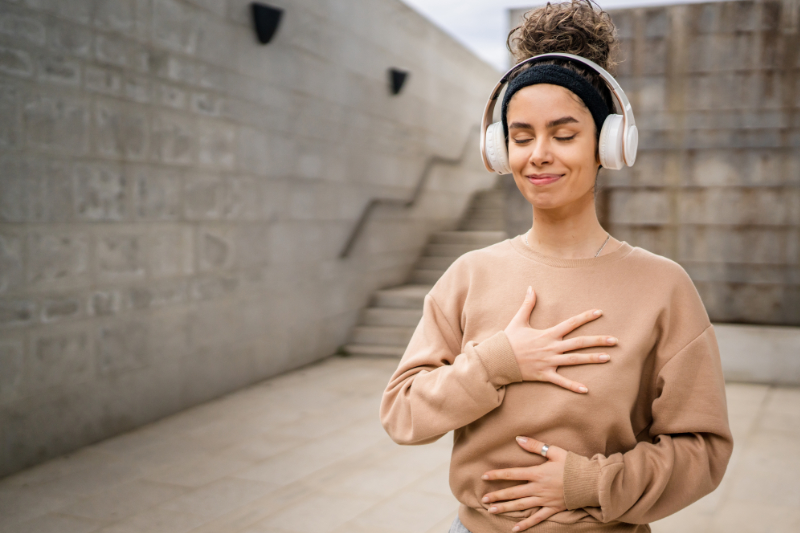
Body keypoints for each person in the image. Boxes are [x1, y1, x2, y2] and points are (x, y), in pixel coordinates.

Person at [379, 1, 733, 532]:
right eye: (521, 137)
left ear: (608, 145)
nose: (538, 154)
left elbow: (703, 450)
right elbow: (403, 415)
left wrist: (591, 484)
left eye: (564, 135)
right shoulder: (469, 275)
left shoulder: (664, 287)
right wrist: (497, 363)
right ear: (500, 151)